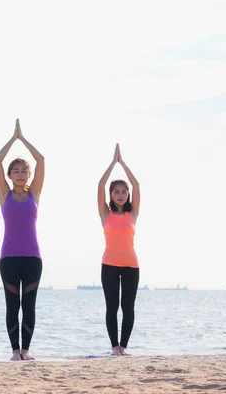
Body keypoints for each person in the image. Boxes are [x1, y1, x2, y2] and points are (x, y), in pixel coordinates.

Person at [0, 118, 45, 361]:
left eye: (24, 170)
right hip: (9, 258)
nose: (21, 174)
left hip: (33, 258)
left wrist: (23, 139)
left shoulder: (34, 193)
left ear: (29, 174)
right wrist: (12, 139)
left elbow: (42, 160)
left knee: (30, 306)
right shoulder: (5, 194)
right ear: (9, 175)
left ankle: (27, 350)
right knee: (12, 305)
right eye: (16, 171)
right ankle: (15, 351)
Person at [97, 143, 140, 356]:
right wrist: (112, 163)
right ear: (111, 195)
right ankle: (114, 347)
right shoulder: (106, 214)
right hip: (109, 265)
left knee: (128, 307)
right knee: (112, 306)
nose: (120, 194)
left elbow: (137, 184)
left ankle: (125, 346)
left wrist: (123, 163)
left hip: (131, 265)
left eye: (124, 192)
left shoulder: (133, 213)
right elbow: (100, 184)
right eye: (116, 192)